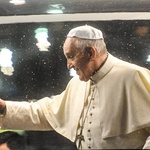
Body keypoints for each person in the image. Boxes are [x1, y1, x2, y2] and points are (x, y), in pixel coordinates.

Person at [0, 25, 150, 149]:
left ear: (91, 53)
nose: (68, 65)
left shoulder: (132, 76)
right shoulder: (78, 83)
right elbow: (46, 113)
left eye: (71, 56)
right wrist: (5, 108)